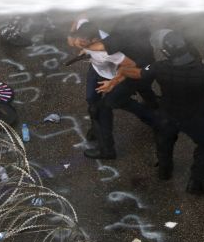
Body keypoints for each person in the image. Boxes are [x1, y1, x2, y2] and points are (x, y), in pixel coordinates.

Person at [114, 31, 204, 195]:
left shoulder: (160, 67)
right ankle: (195, 184)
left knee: (164, 142)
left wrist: (123, 70)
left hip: (167, 114)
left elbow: (139, 73)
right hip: (195, 117)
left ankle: (164, 172)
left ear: (166, 52)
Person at [67, 20, 156, 159]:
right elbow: (80, 18)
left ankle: (107, 149)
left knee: (107, 106)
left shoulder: (109, 52)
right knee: (92, 101)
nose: (78, 42)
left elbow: (130, 65)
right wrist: (72, 37)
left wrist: (113, 82)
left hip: (112, 75)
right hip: (96, 70)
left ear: (95, 40)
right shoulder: (85, 30)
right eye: (78, 38)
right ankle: (97, 130)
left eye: (82, 41)